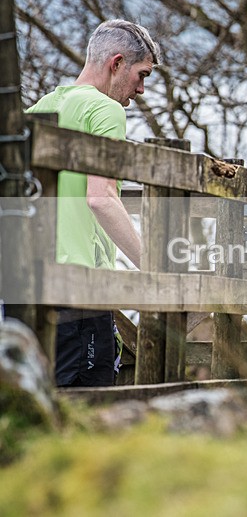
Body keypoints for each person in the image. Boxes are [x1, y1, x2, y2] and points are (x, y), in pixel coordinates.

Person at [26, 19, 161, 386]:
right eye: (142, 74)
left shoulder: (38, 109)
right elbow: (100, 200)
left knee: (35, 406)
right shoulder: (105, 110)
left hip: (25, 291)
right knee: (87, 411)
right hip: (79, 288)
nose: (142, 90)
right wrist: (157, 266)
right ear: (116, 63)